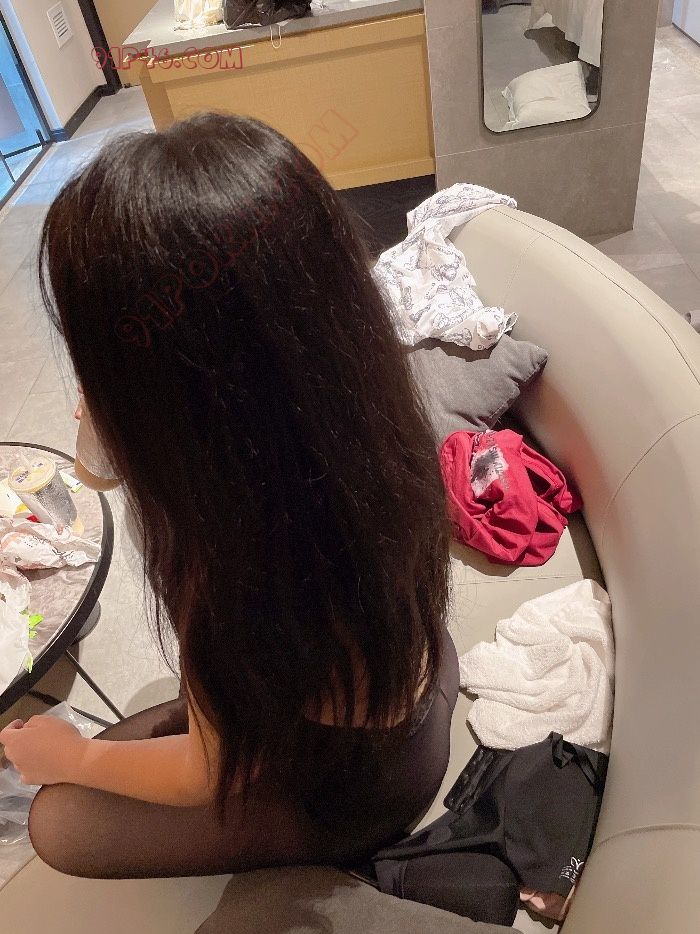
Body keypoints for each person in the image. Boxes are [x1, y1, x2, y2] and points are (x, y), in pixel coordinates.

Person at [0, 113, 458, 880]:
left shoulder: (240, 570)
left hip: (356, 783)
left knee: (58, 822)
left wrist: (70, 757)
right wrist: (119, 399)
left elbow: (206, 776)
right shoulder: (357, 420)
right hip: (411, 676)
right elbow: (101, 470)